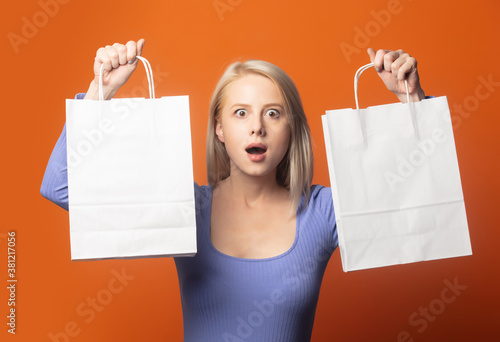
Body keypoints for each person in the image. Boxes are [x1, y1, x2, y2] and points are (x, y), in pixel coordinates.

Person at [40, 39, 426, 341]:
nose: (257, 126)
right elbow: (61, 186)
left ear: (290, 130)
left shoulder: (322, 212)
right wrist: (99, 93)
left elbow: (420, 206)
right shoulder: (187, 208)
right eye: (240, 113)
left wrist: (413, 105)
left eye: (272, 113)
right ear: (220, 129)